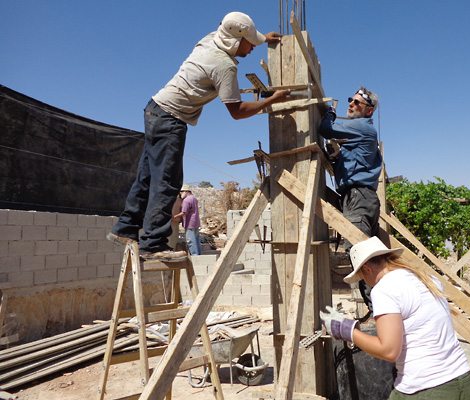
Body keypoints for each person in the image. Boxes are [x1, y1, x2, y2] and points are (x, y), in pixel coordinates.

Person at [107, 11, 291, 262]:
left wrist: (260, 39)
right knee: (167, 182)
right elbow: (237, 111)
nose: (251, 49)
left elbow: (231, 33)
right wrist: (271, 101)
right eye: (249, 43)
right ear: (235, 41)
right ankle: (153, 244)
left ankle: (125, 228)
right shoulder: (224, 67)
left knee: (147, 176)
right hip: (171, 119)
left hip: (155, 109)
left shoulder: (211, 39)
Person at [321, 237, 470, 399]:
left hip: (427, 388)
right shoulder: (425, 278)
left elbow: (388, 351)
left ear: (367, 269)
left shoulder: (385, 288)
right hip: (462, 380)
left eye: (362, 278)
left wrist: (348, 331)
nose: (366, 283)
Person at [319, 86, 382, 312]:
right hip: (360, 197)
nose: (351, 105)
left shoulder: (361, 127)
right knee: (369, 261)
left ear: (369, 111)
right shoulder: (358, 136)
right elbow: (347, 161)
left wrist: (330, 113)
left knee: (361, 258)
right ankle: (385, 314)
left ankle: (383, 315)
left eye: (357, 103)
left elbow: (326, 129)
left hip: (358, 197)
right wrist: (335, 158)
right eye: (351, 101)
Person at [173, 184, 202, 255]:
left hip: (189, 223)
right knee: (196, 239)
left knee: (190, 241)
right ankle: (199, 254)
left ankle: (194, 255)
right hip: (195, 222)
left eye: (181, 192)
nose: (180, 193)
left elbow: (185, 212)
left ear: (186, 191)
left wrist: (175, 216)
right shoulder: (193, 198)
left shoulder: (186, 200)